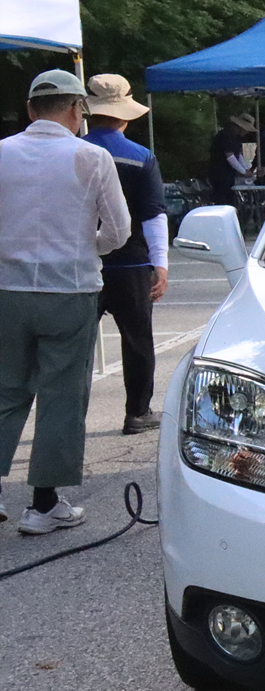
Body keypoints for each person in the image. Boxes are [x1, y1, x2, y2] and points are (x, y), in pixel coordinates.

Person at [0, 70, 132, 534]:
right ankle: (42, 504)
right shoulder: (92, 157)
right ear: (78, 110)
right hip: (70, 289)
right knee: (61, 394)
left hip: (7, 291)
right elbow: (118, 231)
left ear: (32, 109)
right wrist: (83, 247)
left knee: (6, 389)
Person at [81, 75, 169, 434]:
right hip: (132, 263)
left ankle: (70, 417)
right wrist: (160, 263)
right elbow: (153, 214)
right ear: (125, 115)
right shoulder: (141, 157)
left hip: (82, 263)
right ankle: (138, 412)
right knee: (137, 341)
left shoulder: (75, 152)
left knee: (79, 347)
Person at [207, 112, 257, 206]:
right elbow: (230, 156)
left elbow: (239, 156)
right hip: (220, 173)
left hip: (229, 174)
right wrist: (243, 171)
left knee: (230, 198)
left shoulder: (236, 138)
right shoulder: (226, 136)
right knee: (223, 199)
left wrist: (246, 169)